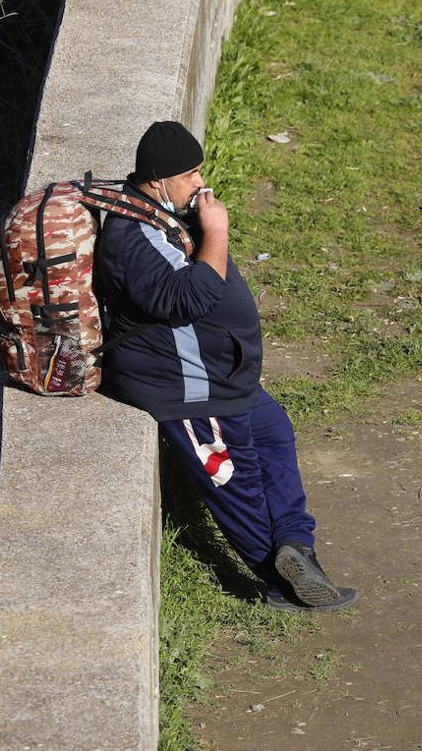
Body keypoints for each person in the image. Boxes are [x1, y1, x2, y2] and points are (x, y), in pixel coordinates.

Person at [95, 120, 358, 611]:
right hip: (187, 387)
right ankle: (279, 583)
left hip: (222, 375)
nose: (201, 183)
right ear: (158, 181)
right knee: (233, 480)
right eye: (191, 174)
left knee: (274, 431)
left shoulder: (160, 214)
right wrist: (217, 230)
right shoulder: (133, 237)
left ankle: (297, 549)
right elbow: (190, 298)